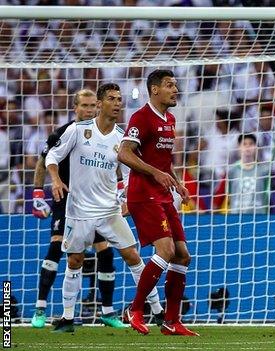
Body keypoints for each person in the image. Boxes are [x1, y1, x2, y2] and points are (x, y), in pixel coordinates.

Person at [45, 83, 163, 333]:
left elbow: (132, 173)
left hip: (110, 211)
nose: (118, 103)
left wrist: (128, 198)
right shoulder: (78, 130)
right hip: (78, 212)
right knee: (75, 261)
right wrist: (55, 179)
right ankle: (67, 318)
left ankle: (158, 311)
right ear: (100, 104)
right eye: (112, 98)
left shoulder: (122, 138)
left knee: (133, 256)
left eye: (119, 99)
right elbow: (52, 157)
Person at [30, 89, 122, 329]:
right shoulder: (65, 131)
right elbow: (44, 159)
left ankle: (108, 311)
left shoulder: (104, 133)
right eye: (85, 105)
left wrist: (120, 190)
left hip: (95, 202)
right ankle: (40, 308)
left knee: (106, 251)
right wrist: (38, 193)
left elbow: (115, 163)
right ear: (75, 108)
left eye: (93, 106)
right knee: (57, 248)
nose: (89, 110)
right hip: (65, 200)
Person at [117, 69, 198, 336]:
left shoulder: (171, 119)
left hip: (162, 194)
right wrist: (155, 173)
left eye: (176, 85)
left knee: (182, 255)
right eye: (169, 85)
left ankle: (171, 322)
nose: (175, 89)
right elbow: (124, 153)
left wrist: (178, 184)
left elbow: (164, 162)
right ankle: (135, 309)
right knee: (164, 250)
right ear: (154, 89)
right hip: (143, 194)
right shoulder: (141, 117)